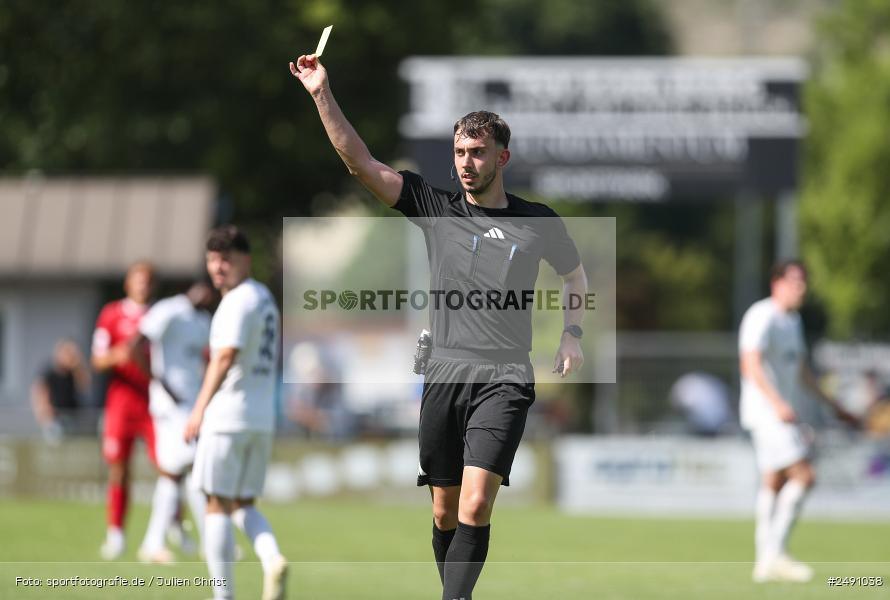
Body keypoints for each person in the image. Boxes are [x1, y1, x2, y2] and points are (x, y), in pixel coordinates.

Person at [292, 54, 588, 600]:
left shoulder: (538, 220)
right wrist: (321, 94)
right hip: (445, 374)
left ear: (503, 155)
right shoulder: (435, 206)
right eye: (459, 153)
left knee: (476, 503)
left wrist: (573, 333)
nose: (466, 163)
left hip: (504, 377)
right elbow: (360, 163)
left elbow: (575, 276)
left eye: (477, 153)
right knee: (445, 510)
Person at [184, 226, 288, 600]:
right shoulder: (264, 298)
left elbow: (225, 356)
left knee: (216, 502)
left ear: (246, 259)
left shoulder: (237, 301)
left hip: (227, 416)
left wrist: (198, 409)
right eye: (212, 258)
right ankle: (272, 557)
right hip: (261, 419)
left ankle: (222, 595)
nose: (218, 266)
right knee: (244, 504)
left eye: (226, 258)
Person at [739, 259, 858, 583]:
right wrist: (777, 403)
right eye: (794, 282)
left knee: (774, 482)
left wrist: (834, 406)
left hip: (778, 414)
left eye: (803, 282)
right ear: (776, 283)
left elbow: (804, 372)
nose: (800, 288)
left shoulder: (793, 322)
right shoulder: (762, 315)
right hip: (766, 414)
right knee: (805, 475)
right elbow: (750, 364)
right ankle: (774, 555)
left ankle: (764, 563)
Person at [134, 280, 215, 564]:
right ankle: (162, 542)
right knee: (185, 468)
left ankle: (175, 541)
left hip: (192, 404)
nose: (207, 295)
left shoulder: (203, 320)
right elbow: (136, 344)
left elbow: (206, 360)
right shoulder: (168, 310)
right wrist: (159, 382)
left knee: (183, 472)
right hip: (170, 406)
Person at [92, 261, 156, 560]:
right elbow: (98, 359)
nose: (142, 285)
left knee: (170, 467)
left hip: (155, 402)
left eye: (147, 280)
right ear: (128, 283)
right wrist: (120, 355)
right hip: (121, 403)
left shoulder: (160, 316)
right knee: (119, 468)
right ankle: (116, 534)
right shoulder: (112, 314)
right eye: (137, 279)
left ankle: (171, 530)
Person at [30, 338, 90, 443]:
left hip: (72, 417)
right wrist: (45, 415)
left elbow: (84, 386)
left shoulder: (73, 372)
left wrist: (77, 366)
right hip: (54, 419)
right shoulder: (49, 372)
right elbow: (39, 393)